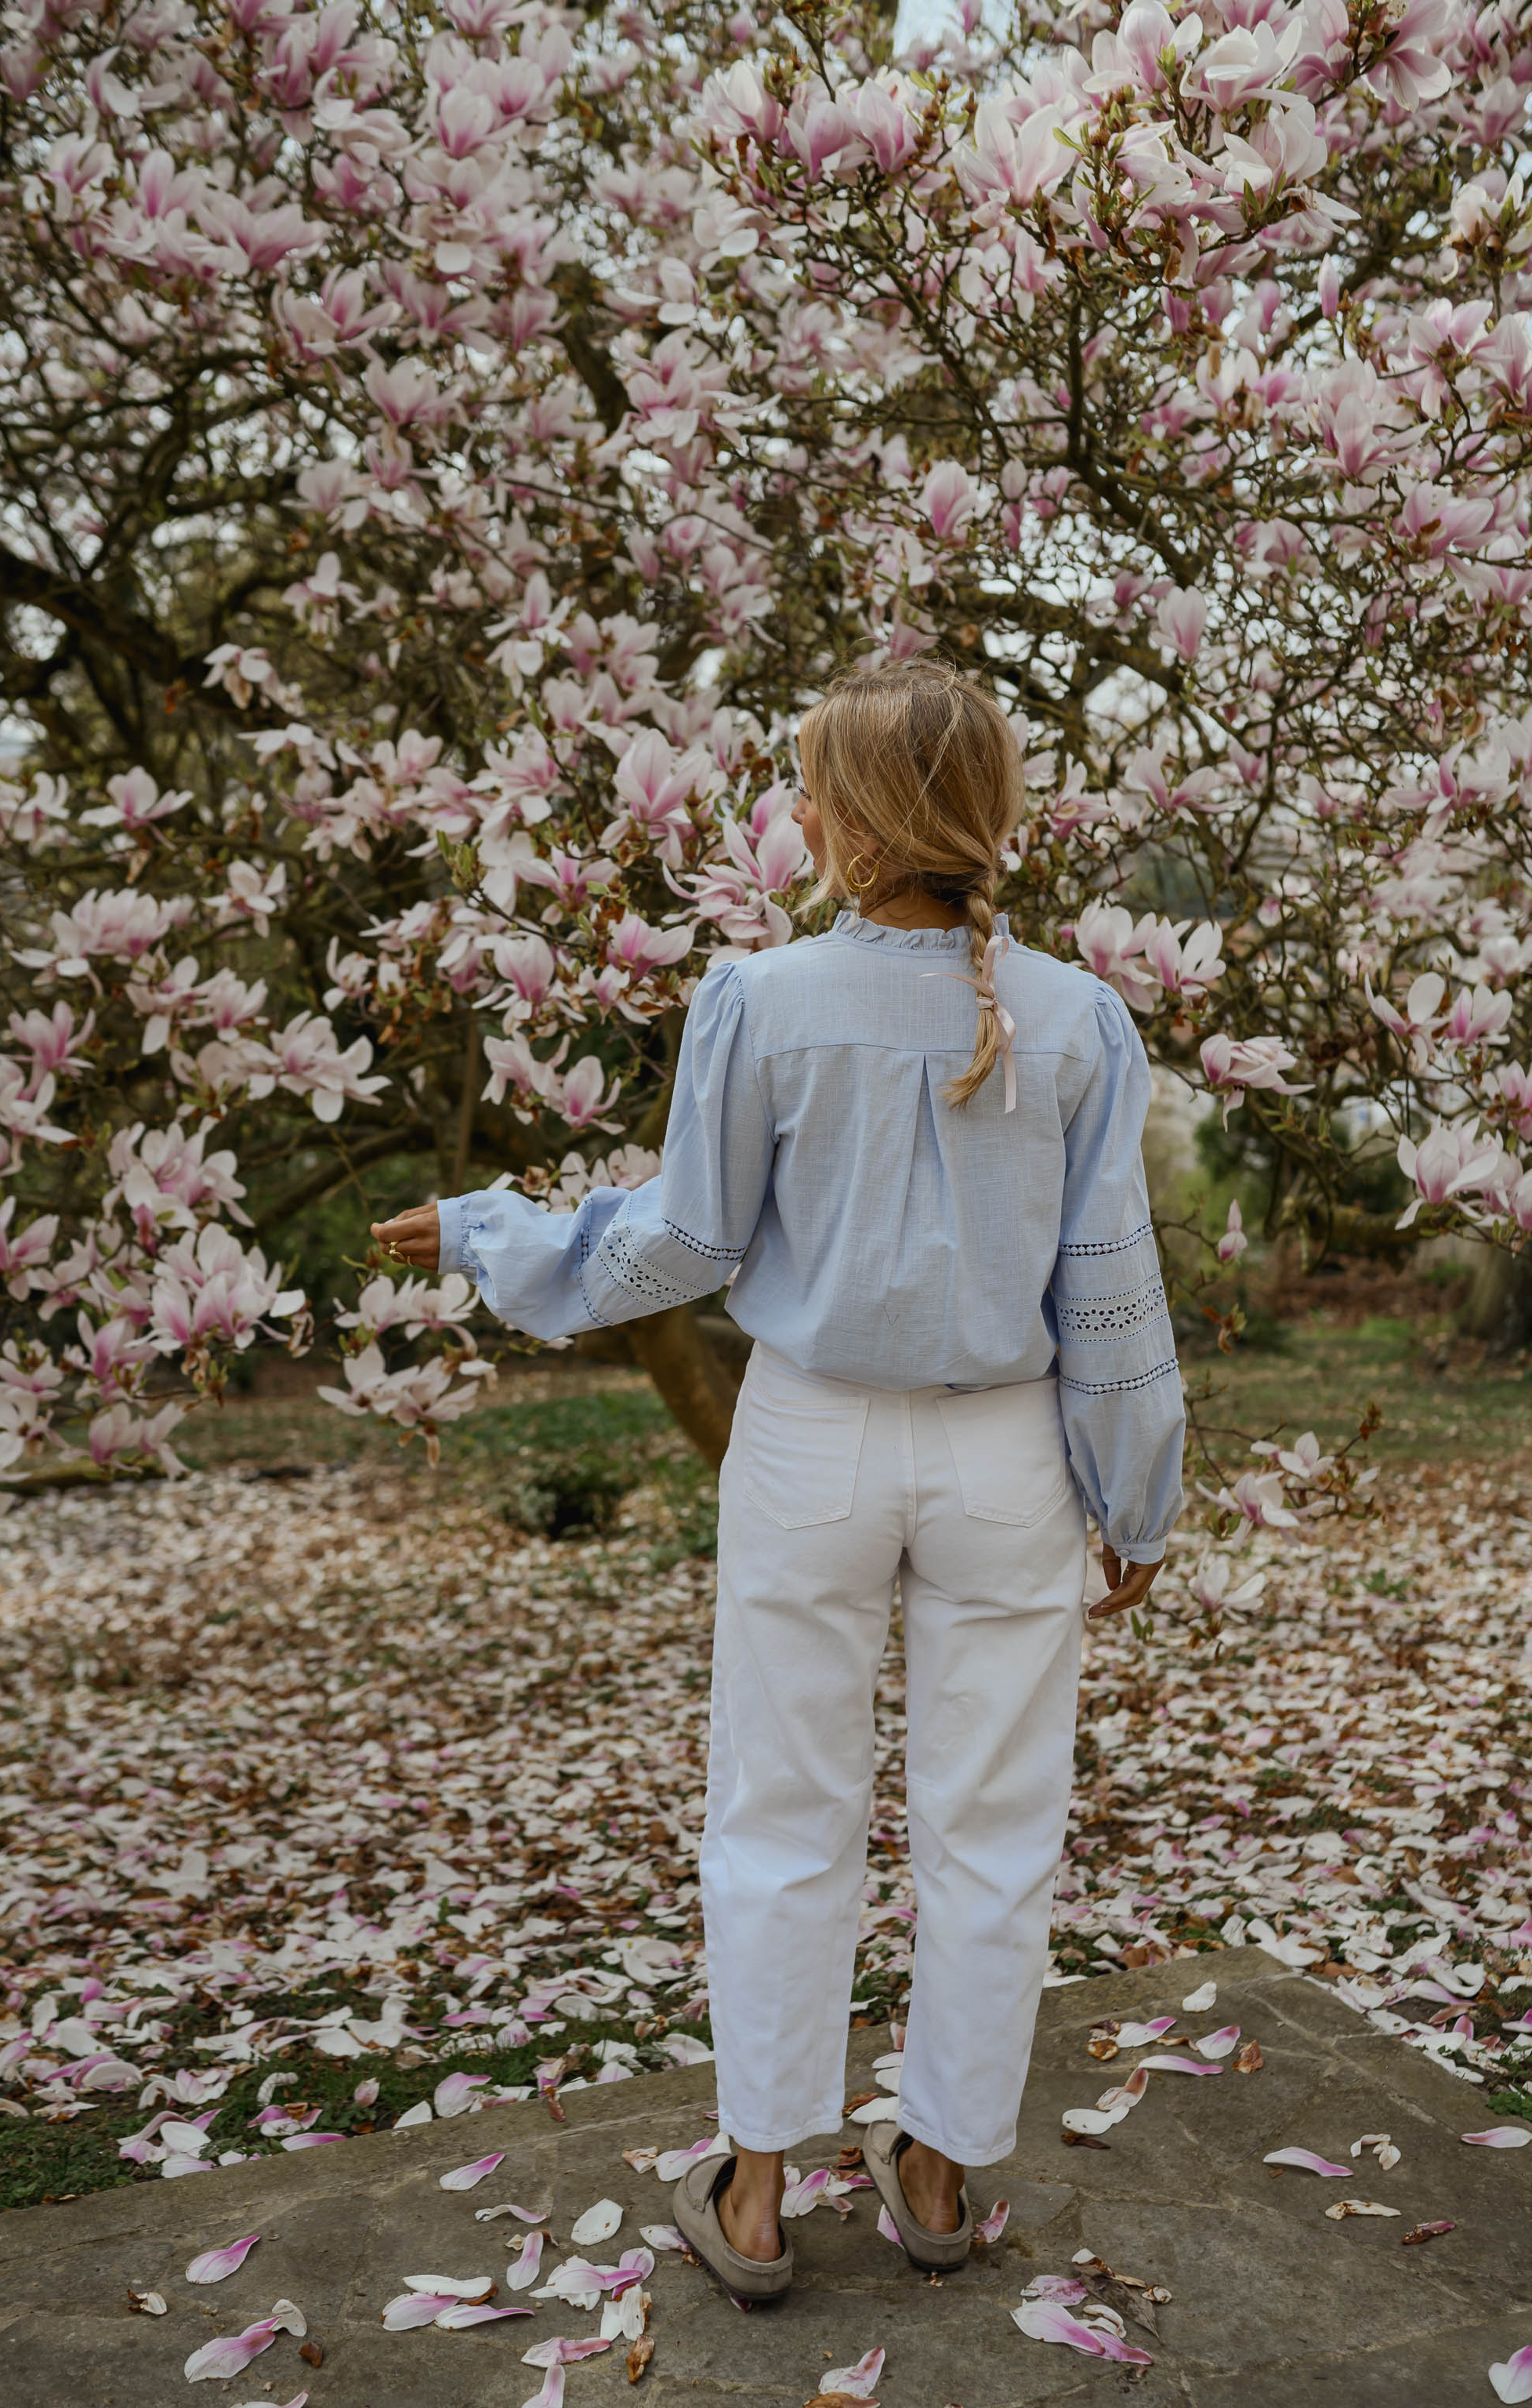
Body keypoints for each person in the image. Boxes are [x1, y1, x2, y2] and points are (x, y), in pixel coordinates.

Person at [372, 656, 1184, 2299]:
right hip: (1007, 1460)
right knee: (993, 1829)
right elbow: (1110, 1288)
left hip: (810, 1440)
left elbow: (683, 1238)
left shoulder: (759, 997)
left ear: (863, 825)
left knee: (779, 1815)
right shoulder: (1085, 1016)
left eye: (812, 789)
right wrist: (1136, 1496)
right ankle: (937, 2184)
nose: (793, 814)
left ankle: (754, 2198)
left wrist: (491, 1235)